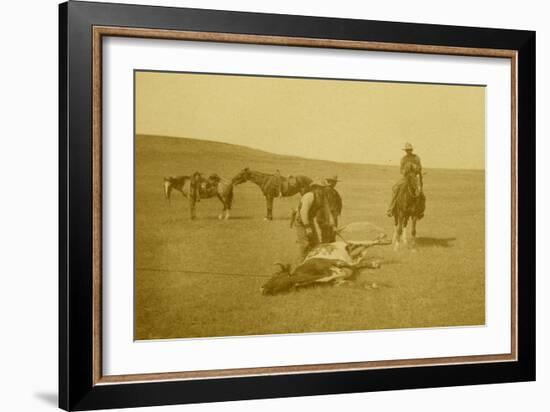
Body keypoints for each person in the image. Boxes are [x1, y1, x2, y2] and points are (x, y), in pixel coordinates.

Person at [294, 180, 334, 262]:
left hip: (309, 220)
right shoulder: (309, 196)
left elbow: (328, 211)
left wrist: (333, 225)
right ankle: (301, 264)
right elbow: (303, 212)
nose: (323, 190)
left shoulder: (323, 197)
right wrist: (307, 227)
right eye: (321, 188)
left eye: (324, 188)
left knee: (315, 243)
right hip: (301, 221)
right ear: (315, 188)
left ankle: (313, 262)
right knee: (305, 244)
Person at [386, 143, 423, 217]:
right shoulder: (403, 159)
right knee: (396, 188)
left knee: (419, 190)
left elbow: (420, 167)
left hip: (415, 177)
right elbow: (401, 170)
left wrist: (415, 168)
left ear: (412, 150)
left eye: (409, 150)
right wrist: (405, 171)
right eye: (407, 150)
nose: (408, 151)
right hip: (406, 178)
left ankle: (420, 210)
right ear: (405, 151)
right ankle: (391, 208)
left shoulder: (416, 157)